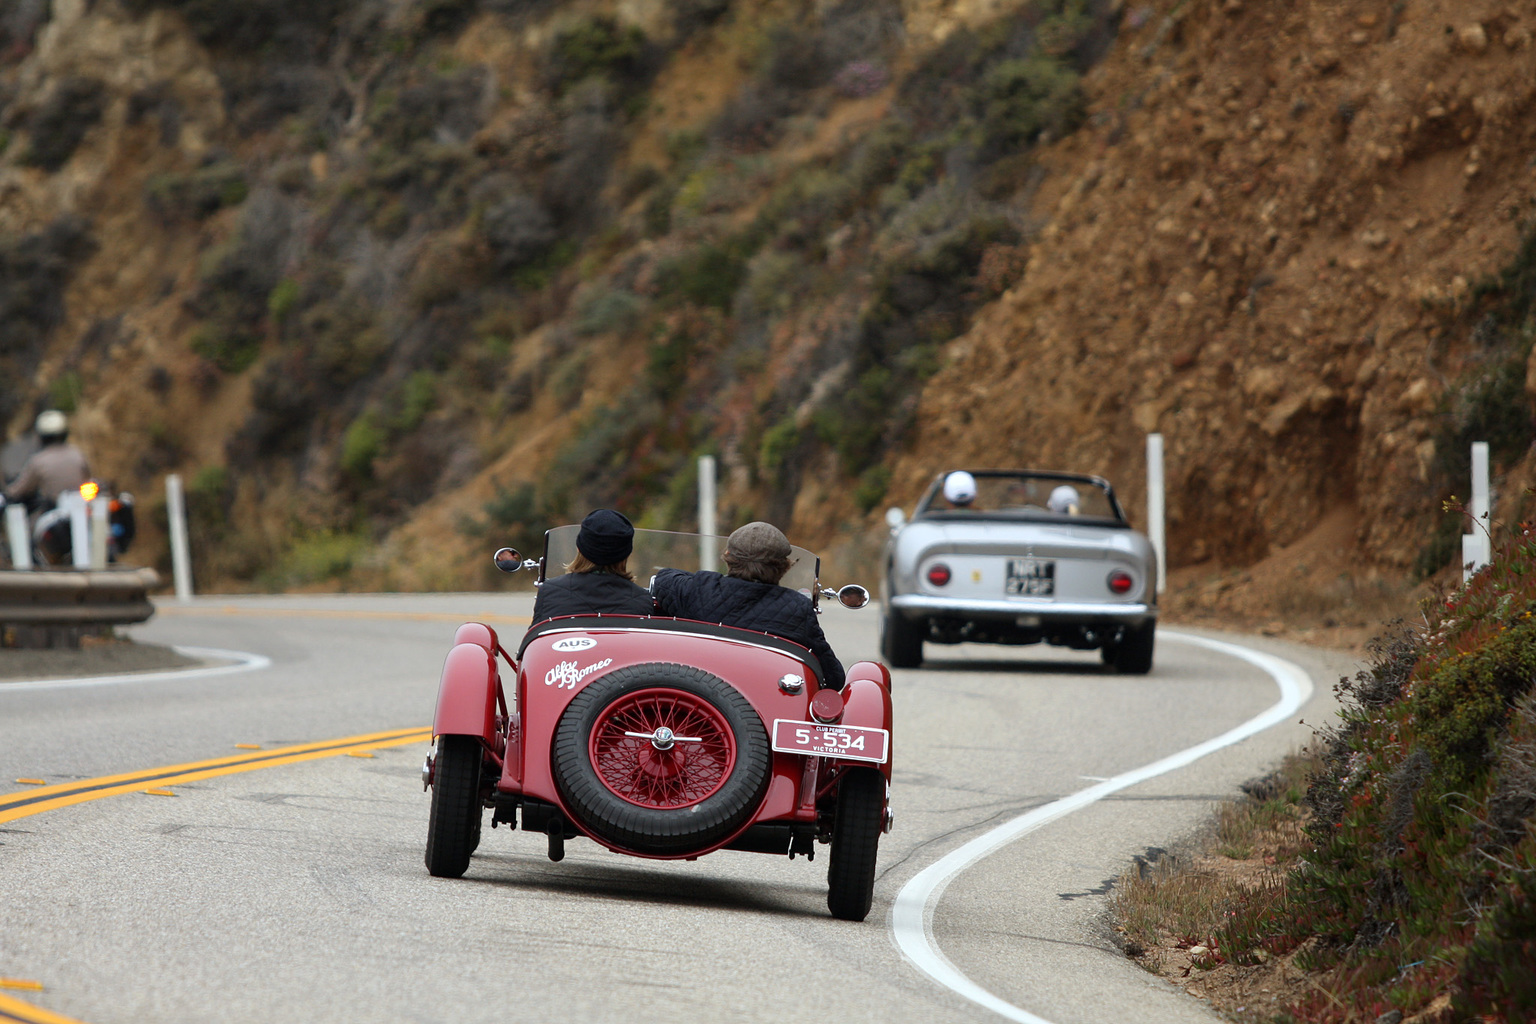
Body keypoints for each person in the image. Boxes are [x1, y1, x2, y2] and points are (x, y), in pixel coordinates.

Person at [650, 521, 846, 691]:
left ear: (727, 555)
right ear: (786, 566)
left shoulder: (700, 588)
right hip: (762, 704)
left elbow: (664, 578)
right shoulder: (797, 607)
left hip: (696, 697)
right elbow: (834, 677)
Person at [530, 508, 655, 623]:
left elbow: (534, 641)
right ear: (626, 555)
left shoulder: (550, 592)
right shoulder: (641, 600)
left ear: (579, 548)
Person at [3, 410, 90, 513]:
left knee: (32, 526)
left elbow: (20, 489)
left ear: (41, 436)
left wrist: (6, 494)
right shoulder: (77, 454)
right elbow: (87, 477)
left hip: (53, 510)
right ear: (65, 433)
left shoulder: (38, 461)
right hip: (82, 509)